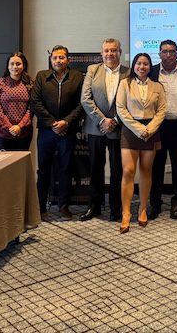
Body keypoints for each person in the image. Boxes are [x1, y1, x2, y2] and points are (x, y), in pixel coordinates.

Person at [31, 45, 84, 219]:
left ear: (68, 59)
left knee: (66, 168)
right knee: (43, 169)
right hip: (46, 131)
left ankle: (63, 206)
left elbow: (81, 104)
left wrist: (65, 122)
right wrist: (53, 123)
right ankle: (40, 206)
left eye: (61, 57)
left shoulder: (77, 77)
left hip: (67, 131)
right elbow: (35, 102)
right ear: (51, 59)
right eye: (55, 58)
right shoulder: (41, 76)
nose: (58, 61)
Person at [116, 53, 167, 233]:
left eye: (145, 64)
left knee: (146, 170)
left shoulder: (157, 86)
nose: (142, 67)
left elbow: (162, 110)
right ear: (134, 65)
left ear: (150, 66)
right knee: (128, 171)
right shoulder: (125, 83)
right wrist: (138, 129)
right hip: (130, 130)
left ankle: (143, 209)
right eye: (139, 63)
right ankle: (126, 213)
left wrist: (149, 129)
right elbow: (121, 108)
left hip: (150, 130)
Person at [79, 39, 129, 222]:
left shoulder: (128, 72)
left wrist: (114, 120)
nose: (110, 54)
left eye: (113, 50)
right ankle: (94, 206)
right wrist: (102, 120)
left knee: (117, 170)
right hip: (96, 127)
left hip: (118, 128)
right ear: (101, 53)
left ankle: (116, 208)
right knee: (95, 168)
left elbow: (130, 100)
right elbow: (85, 99)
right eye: (106, 51)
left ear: (120, 52)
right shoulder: (93, 70)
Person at [148, 40, 177, 220]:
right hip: (157, 127)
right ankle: (155, 203)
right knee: (156, 167)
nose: (168, 55)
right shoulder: (152, 72)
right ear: (159, 54)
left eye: (172, 51)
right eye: (165, 51)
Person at [0, 51, 34, 151]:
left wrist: (19, 126)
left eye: (18, 64)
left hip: (23, 133)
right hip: (2, 134)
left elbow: (31, 109)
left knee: (21, 160)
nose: (15, 67)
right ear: (8, 66)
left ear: (24, 66)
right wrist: (9, 127)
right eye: (12, 64)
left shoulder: (30, 84)